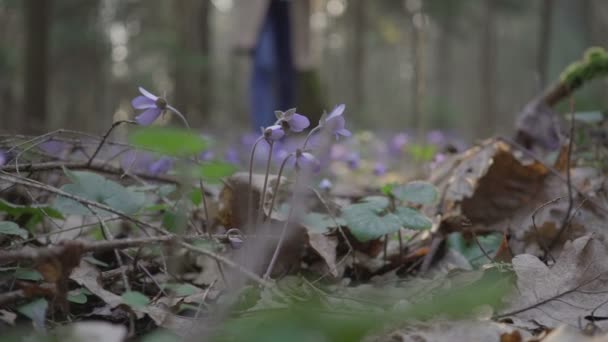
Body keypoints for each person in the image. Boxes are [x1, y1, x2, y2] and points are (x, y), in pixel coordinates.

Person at [234, 0, 307, 130]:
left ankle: (284, 130)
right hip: (262, 11)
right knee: (264, 66)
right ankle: (263, 131)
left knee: (287, 73)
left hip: (291, 7)